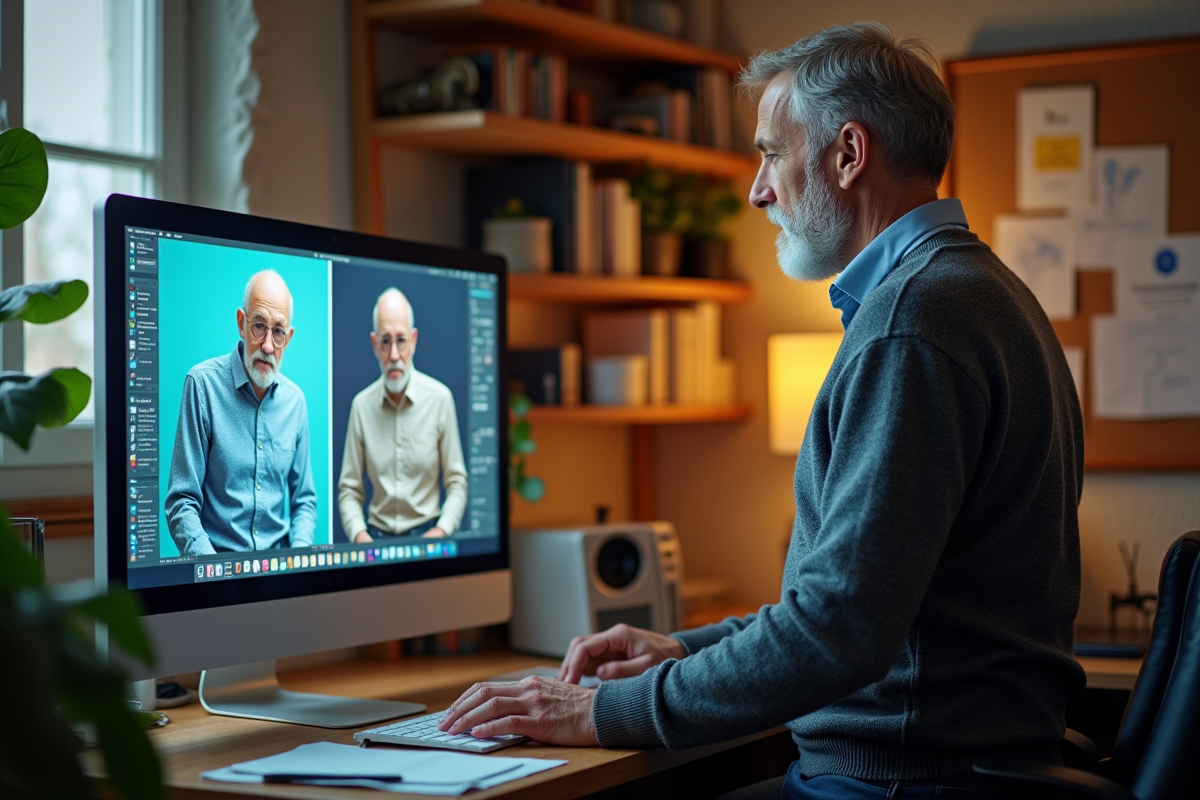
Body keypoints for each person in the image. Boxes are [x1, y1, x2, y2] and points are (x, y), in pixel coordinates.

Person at [437, 22, 1087, 799]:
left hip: (903, 781)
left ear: (849, 154)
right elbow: (856, 607)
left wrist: (600, 710)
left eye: (772, 153)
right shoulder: (984, 294)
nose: (757, 189)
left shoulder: (912, 325)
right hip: (935, 766)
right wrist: (684, 649)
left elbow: (839, 631)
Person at [166, 269, 317, 555]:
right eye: (258, 325)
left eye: (278, 331)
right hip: (218, 567)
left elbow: (304, 503)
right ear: (241, 323)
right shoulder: (202, 386)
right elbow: (181, 502)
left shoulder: (295, 403)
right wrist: (215, 571)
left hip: (279, 569)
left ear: (288, 338)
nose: (268, 346)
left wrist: (298, 562)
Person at [337, 287, 468, 542]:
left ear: (414, 340)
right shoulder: (361, 406)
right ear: (374, 344)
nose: (394, 355)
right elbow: (349, 490)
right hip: (375, 540)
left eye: (401, 340)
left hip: (428, 537)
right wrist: (360, 536)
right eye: (386, 341)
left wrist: (441, 531)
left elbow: (457, 482)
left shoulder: (440, 399)